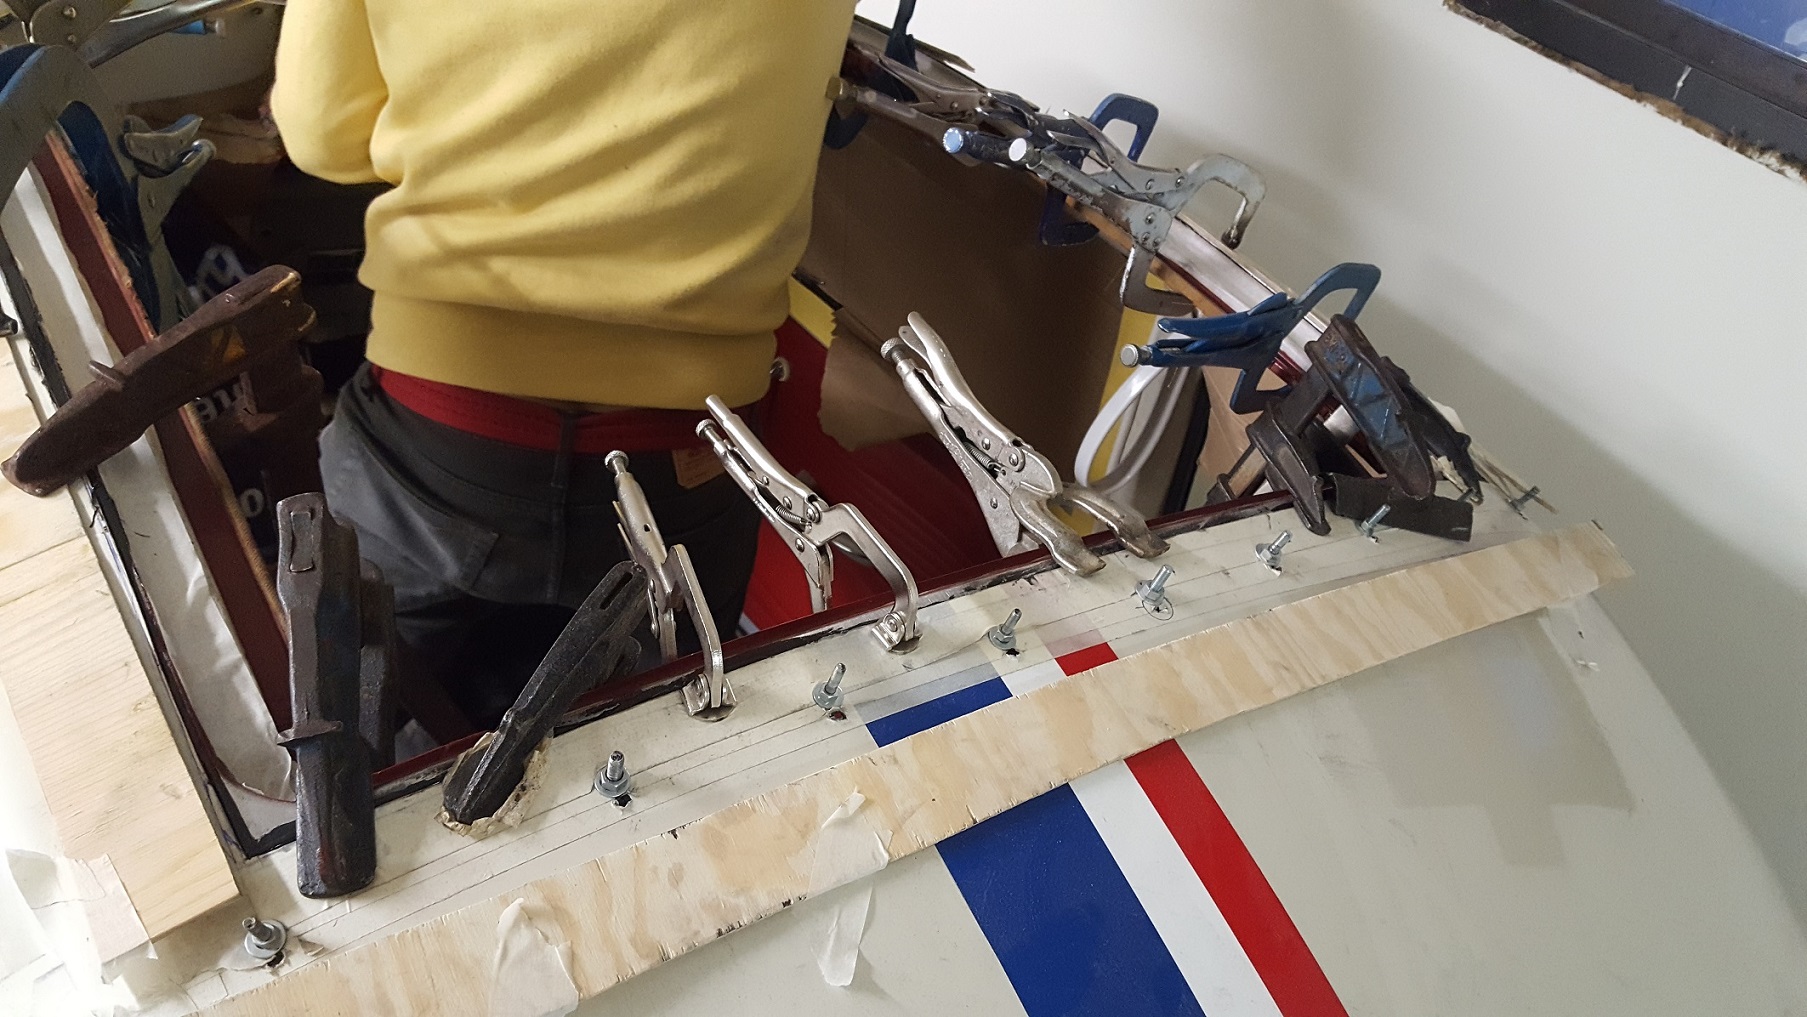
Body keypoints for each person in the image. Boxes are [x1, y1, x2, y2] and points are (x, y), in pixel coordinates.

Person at [269, 0, 858, 735]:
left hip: (438, 434)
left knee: (368, 744)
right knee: (674, 745)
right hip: (683, 457)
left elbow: (323, 136)